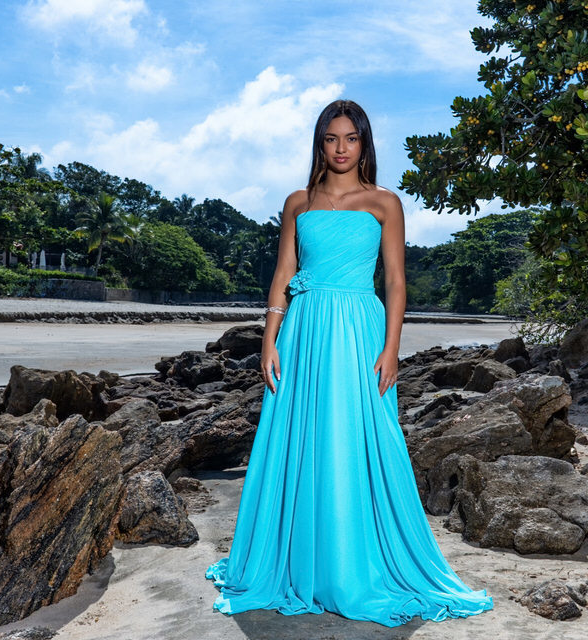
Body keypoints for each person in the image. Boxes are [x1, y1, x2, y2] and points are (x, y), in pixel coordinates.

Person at [205, 100, 494, 626]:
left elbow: (397, 283)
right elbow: (282, 276)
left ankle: (351, 564)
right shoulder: (298, 202)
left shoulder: (385, 202)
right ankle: (298, 559)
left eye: (350, 138)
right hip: (304, 331)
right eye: (330, 139)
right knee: (301, 437)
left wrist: (391, 349)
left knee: (356, 438)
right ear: (320, 144)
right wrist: (270, 339)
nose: (340, 148)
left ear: (365, 143)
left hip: (359, 330)